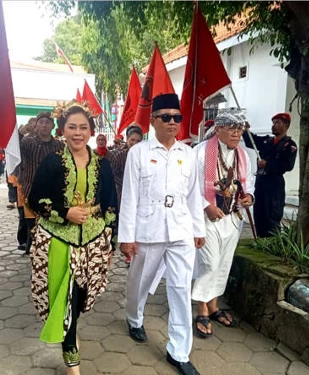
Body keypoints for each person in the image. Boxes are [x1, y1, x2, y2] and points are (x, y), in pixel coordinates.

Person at [28, 101, 117, 374]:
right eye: (72, 127)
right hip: (58, 241)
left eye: (83, 127)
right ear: (62, 131)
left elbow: (111, 203)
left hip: (93, 241)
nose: (78, 133)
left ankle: (71, 326)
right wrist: (64, 213)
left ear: (91, 131)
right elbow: (35, 199)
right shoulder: (52, 162)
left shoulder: (102, 164)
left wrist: (110, 239)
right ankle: (72, 360)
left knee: (79, 297)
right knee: (65, 299)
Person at [119, 93, 205, 375]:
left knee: (180, 289)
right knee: (140, 281)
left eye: (177, 118)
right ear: (153, 120)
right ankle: (134, 317)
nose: (172, 122)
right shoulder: (139, 152)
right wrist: (126, 237)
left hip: (180, 228)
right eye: (166, 117)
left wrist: (198, 229)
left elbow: (194, 195)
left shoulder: (188, 154)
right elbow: (129, 197)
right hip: (148, 228)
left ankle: (178, 352)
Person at [191, 112, 255, 338]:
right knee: (209, 261)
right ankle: (201, 307)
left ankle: (214, 304)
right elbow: (190, 187)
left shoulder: (246, 155)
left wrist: (249, 198)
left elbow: (250, 184)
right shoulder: (199, 153)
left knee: (224, 263)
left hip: (233, 217)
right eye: (231, 128)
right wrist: (206, 206)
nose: (237, 133)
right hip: (207, 217)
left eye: (240, 129)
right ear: (218, 130)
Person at [243, 112, 297, 237]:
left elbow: (288, 165)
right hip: (261, 183)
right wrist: (245, 130)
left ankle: (271, 243)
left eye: (277, 123)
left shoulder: (289, 145)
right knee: (260, 215)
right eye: (273, 123)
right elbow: (252, 141)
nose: (274, 126)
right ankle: (261, 240)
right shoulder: (267, 141)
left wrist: (268, 164)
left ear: (286, 125)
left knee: (271, 217)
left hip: (274, 186)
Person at [19, 111, 64, 253]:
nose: (44, 125)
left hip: (52, 194)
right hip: (30, 191)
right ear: (36, 125)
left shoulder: (59, 145)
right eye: (41, 122)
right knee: (33, 228)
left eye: (47, 122)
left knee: (50, 228)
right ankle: (35, 258)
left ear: (52, 126)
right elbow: (12, 151)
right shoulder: (27, 142)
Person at [107, 124, 143, 264]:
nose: (134, 143)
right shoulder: (120, 156)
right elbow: (114, 175)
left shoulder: (144, 156)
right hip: (122, 194)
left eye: (138, 140)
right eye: (132, 140)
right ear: (127, 140)